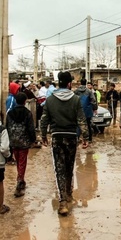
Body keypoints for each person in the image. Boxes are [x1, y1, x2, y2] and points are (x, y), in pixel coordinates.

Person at [40, 71, 89, 216]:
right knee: (69, 166)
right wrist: (85, 137)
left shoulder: (49, 100)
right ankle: (68, 195)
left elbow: (44, 120)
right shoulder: (75, 99)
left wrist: (43, 135)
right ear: (69, 83)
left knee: (59, 168)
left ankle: (63, 202)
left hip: (57, 137)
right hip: (71, 137)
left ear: (58, 82)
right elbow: (81, 120)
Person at [6, 92, 36, 197]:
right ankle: (19, 181)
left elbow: (7, 127)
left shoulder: (10, 113)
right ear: (24, 101)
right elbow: (31, 128)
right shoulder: (27, 113)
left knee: (18, 160)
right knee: (22, 161)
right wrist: (33, 140)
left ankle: (21, 179)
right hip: (24, 141)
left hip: (13, 141)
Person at [74, 78, 97, 143]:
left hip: (78, 111)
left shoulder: (76, 91)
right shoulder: (89, 91)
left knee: (78, 125)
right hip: (87, 111)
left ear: (80, 83)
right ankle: (89, 139)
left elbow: (73, 100)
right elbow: (93, 100)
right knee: (88, 125)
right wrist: (94, 108)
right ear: (86, 83)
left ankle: (77, 138)